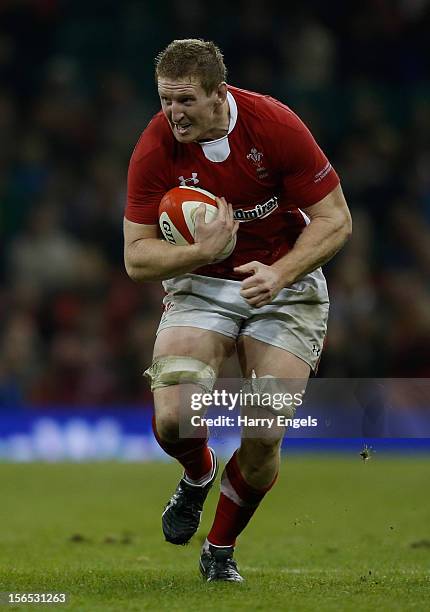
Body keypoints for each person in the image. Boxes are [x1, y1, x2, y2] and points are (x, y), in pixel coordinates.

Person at [124, 39, 352, 582]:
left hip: (283, 283)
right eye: (165, 100)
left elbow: (336, 220)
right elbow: (135, 257)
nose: (173, 113)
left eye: (185, 101)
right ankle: (198, 473)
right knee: (176, 415)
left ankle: (220, 549)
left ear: (219, 94)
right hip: (203, 284)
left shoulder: (274, 125)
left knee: (264, 429)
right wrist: (200, 253)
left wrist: (281, 273)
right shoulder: (156, 146)